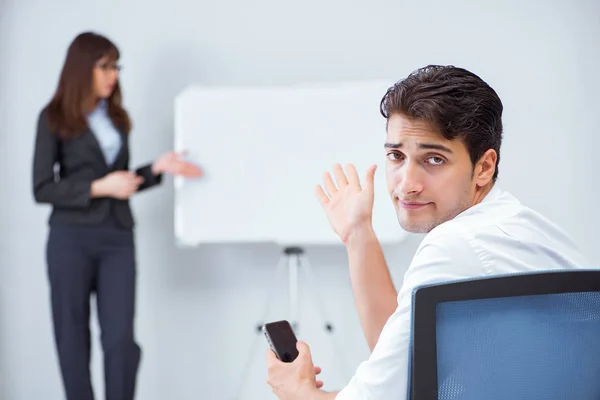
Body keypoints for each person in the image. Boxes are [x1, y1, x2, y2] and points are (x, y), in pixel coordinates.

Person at [264, 65, 590, 399]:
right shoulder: (514, 223)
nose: (407, 184)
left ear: (484, 167)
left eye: (433, 159)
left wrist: (295, 390)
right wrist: (357, 233)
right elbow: (410, 368)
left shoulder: (456, 244)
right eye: (396, 156)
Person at [32, 32, 202, 400]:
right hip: (70, 240)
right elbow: (42, 187)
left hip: (116, 238)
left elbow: (121, 182)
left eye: (116, 66)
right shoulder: (53, 117)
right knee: (72, 337)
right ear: (82, 68)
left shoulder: (118, 119)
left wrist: (157, 168)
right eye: (105, 66)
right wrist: (98, 187)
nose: (113, 74)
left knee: (121, 340)